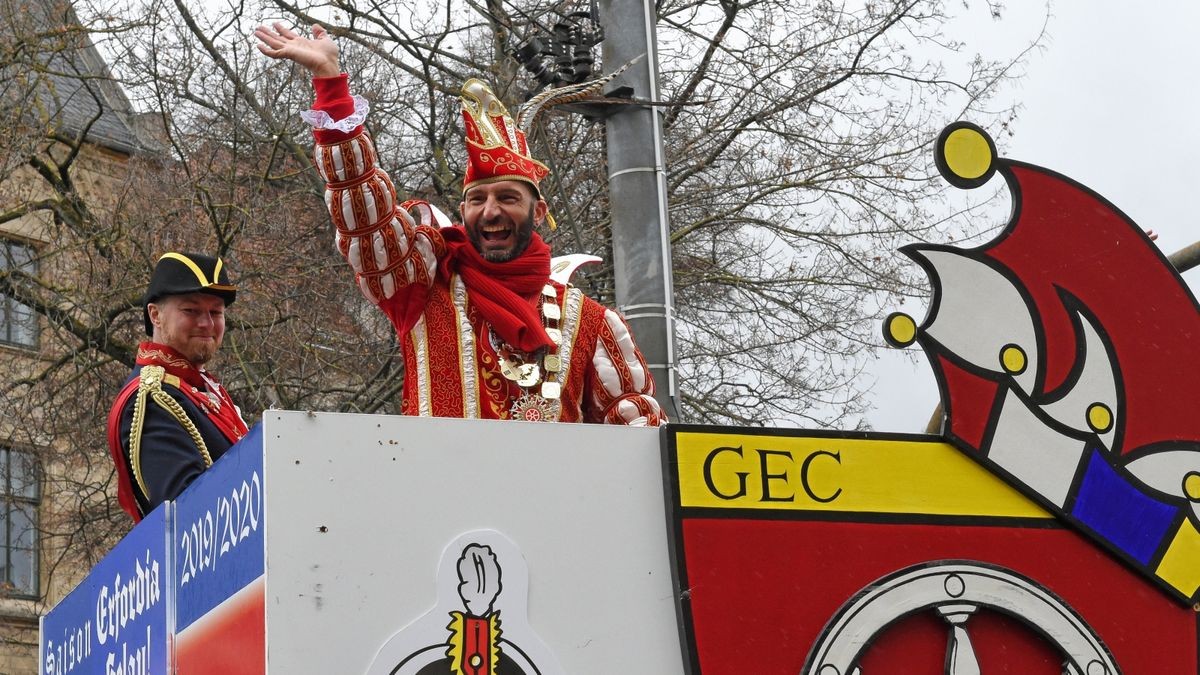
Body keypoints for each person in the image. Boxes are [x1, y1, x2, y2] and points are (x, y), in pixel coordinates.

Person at [255, 24, 666, 426]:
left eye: (507, 198)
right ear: (463, 209)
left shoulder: (592, 321)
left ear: (538, 213)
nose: (490, 212)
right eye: (477, 200)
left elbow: (640, 436)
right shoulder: (421, 285)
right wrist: (330, 84)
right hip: (435, 493)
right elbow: (363, 215)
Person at [106, 252, 249, 521]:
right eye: (191, 310)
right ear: (155, 315)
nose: (207, 323)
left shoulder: (201, 389)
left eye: (215, 312)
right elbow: (188, 516)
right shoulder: (152, 398)